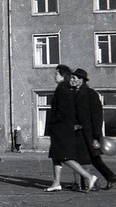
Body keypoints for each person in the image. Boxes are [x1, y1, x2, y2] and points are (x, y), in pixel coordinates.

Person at [43, 65, 97, 193]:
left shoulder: (63, 89)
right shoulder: (64, 88)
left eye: (56, 73)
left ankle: (89, 177)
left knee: (64, 156)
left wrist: (54, 122)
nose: (54, 76)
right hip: (60, 129)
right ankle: (56, 183)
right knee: (56, 156)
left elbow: (63, 112)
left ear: (62, 75)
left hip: (61, 129)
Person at [71, 68, 116, 190]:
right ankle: (109, 177)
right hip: (79, 133)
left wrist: (96, 137)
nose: (72, 80)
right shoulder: (75, 93)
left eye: (74, 78)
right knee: (90, 158)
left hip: (88, 134)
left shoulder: (91, 94)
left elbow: (97, 116)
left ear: (81, 80)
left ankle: (86, 183)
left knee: (85, 158)